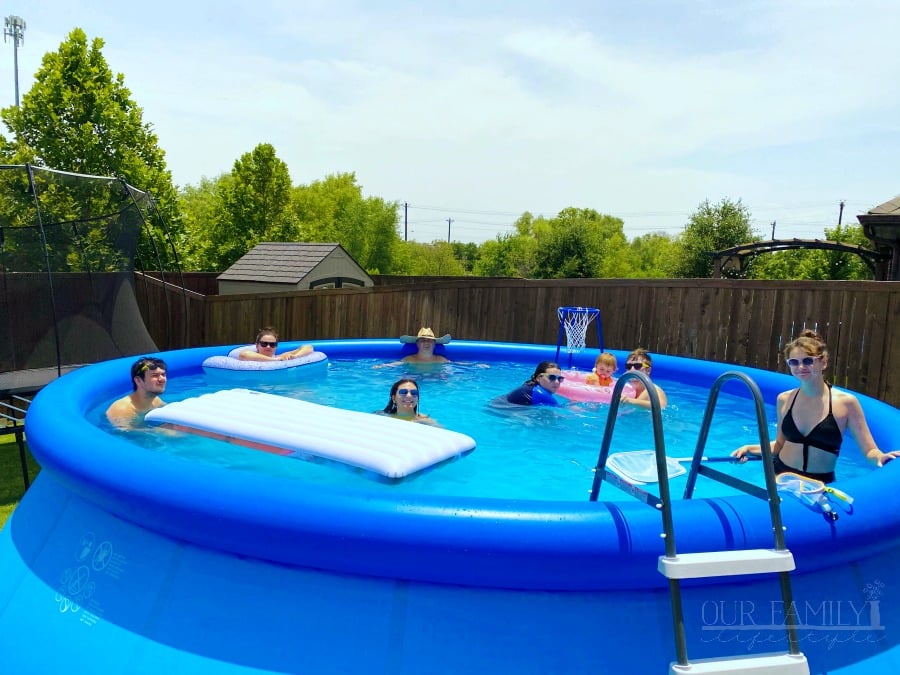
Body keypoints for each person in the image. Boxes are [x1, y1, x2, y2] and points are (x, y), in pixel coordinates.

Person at [732, 329, 898, 483]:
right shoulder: (784, 399)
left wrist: (880, 457)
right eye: (794, 362)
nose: (801, 367)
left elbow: (869, 451)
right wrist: (749, 448)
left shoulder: (846, 403)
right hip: (781, 478)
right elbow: (779, 445)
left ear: (823, 362)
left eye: (808, 361)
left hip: (820, 485)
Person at [105, 356, 167, 428]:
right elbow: (124, 432)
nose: (162, 379)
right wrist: (162, 429)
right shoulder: (122, 409)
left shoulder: (156, 401)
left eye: (163, 375)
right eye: (155, 375)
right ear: (138, 380)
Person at [375, 327, 451, 368]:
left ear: (434, 344)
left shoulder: (441, 360)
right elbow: (395, 364)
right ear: (417, 344)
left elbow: (453, 367)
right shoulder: (409, 359)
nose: (426, 343)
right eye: (423, 340)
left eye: (429, 341)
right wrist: (382, 366)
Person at [238, 327, 314, 362]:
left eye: (272, 344)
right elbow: (243, 355)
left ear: (276, 347)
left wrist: (295, 356)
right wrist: (274, 360)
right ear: (257, 345)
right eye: (264, 344)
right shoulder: (250, 357)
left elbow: (308, 347)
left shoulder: (280, 357)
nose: (268, 347)